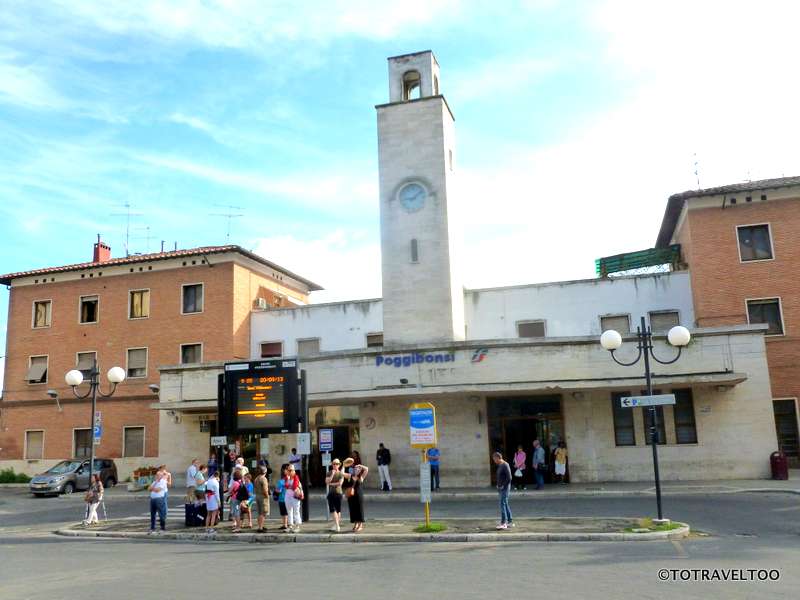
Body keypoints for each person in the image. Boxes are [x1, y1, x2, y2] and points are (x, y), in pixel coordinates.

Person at [342, 456, 368, 532]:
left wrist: (360, 465)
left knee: (359, 509)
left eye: (359, 469)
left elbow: (366, 469)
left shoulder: (361, 478)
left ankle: (360, 525)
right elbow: (342, 473)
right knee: (353, 509)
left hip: (359, 495)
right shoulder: (350, 476)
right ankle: (355, 524)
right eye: (356, 469)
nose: (357, 470)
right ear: (353, 470)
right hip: (351, 496)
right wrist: (343, 465)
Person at [493, 452, 513, 530]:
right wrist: (498, 485)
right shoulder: (500, 465)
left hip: (504, 488)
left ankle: (503, 523)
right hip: (501, 488)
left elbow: (509, 478)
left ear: (498, 458)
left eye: (494, 459)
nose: (494, 461)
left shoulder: (505, 465)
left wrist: (502, 486)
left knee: (502, 504)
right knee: (505, 504)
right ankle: (510, 521)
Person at [325, 458, 345, 532]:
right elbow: (327, 481)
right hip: (331, 493)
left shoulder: (340, 473)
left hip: (338, 493)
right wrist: (332, 474)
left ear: (339, 465)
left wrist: (331, 484)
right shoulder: (329, 472)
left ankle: (336, 525)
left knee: (338, 510)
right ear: (332, 464)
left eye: (337, 464)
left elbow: (340, 483)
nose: (335, 465)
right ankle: (336, 525)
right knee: (333, 510)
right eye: (334, 464)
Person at [283, 465, 303, 532]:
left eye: (291, 470)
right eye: (288, 470)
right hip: (288, 497)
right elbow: (285, 486)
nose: (289, 472)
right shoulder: (287, 478)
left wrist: (289, 486)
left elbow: (294, 486)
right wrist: (289, 485)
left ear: (294, 471)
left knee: (296, 511)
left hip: (295, 497)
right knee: (289, 512)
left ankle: (297, 526)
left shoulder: (296, 477)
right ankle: (290, 526)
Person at [253, 465, 270, 533]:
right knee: (263, 513)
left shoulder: (256, 478)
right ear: (265, 472)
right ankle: (260, 527)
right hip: (263, 496)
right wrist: (267, 496)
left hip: (257, 495)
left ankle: (261, 525)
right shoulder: (263, 479)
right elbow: (265, 490)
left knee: (259, 513)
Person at [274, 464, 289, 530]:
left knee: (284, 513)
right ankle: (289, 523)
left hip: (282, 499)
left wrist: (275, 490)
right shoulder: (291, 480)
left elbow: (278, 491)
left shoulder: (281, 482)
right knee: (288, 512)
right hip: (289, 499)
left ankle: (285, 525)